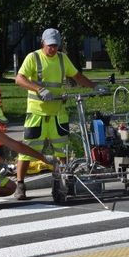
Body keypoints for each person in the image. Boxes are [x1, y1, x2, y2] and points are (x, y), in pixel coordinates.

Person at [13, 28, 105, 200]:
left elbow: (77, 76)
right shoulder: (33, 58)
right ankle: (20, 185)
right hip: (37, 114)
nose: (53, 49)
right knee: (27, 151)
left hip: (58, 114)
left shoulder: (62, 59)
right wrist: (39, 89)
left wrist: (94, 86)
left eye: (56, 45)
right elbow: (19, 79)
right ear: (43, 43)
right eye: (50, 46)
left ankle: (64, 182)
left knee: (62, 151)